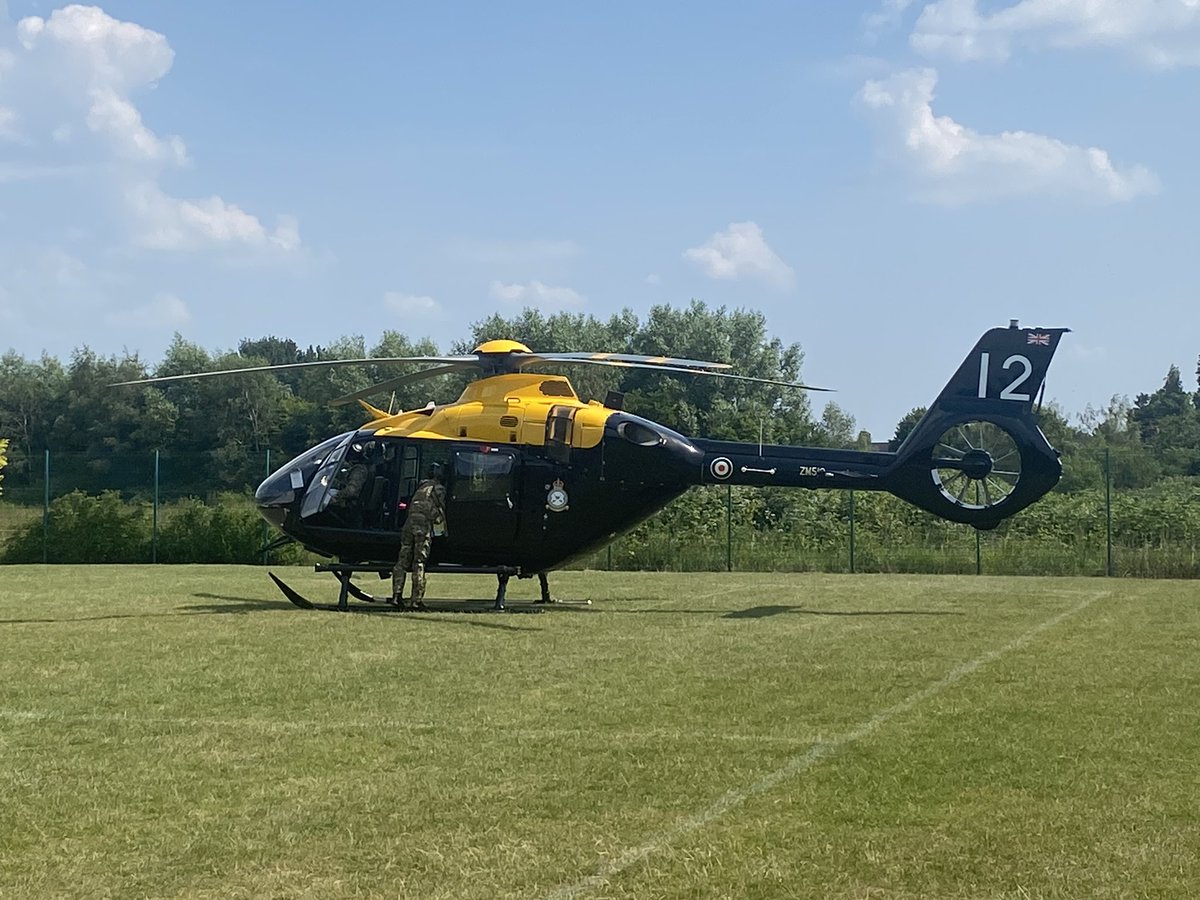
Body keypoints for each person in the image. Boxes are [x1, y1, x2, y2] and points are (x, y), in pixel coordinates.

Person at [392, 462, 447, 609]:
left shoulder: (421, 487)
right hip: (423, 526)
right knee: (419, 562)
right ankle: (416, 600)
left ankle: (396, 596)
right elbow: (442, 511)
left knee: (402, 560)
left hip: (409, 524)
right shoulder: (439, 489)